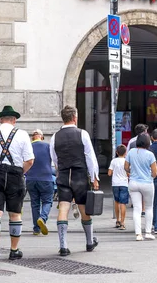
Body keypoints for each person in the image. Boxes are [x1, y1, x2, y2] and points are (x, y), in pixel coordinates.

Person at [0, 105, 34, 264]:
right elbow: (30, 160)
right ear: (14, 120)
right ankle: (13, 250)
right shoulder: (23, 134)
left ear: (0, 119)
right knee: (15, 214)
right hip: (15, 174)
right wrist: (20, 173)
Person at [50, 105, 100, 257]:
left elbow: (54, 159)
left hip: (64, 174)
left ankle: (63, 245)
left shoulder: (54, 136)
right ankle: (89, 241)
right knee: (84, 209)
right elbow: (90, 157)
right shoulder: (82, 134)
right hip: (79, 175)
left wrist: (62, 169)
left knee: (63, 208)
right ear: (74, 118)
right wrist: (94, 177)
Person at [125, 134, 157, 241]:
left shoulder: (131, 152)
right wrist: (151, 176)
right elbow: (155, 171)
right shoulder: (150, 154)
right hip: (147, 183)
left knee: (137, 209)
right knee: (148, 208)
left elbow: (126, 167)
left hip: (133, 183)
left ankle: (138, 234)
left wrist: (132, 172)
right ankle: (148, 232)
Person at [25, 129, 55, 236]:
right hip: (46, 178)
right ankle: (42, 218)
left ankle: (36, 229)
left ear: (32, 137)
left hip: (30, 179)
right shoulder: (47, 146)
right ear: (42, 137)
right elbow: (54, 161)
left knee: (35, 204)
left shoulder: (27, 146)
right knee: (47, 201)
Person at [108, 145, 128, 230]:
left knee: (116, 202)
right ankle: (123, 223)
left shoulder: (113, 161)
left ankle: (117, 220)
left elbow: (109, 173)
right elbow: (128, 173)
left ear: (117, 152)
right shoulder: (126, 161)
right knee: (123, 203)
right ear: (125, 153)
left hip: (115, 184)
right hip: (124, 183)